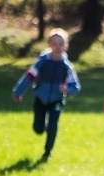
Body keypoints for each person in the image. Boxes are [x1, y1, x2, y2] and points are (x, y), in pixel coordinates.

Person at [12, 28, 81, 160]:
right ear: (48, 45)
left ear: (66, 46)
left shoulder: (67, 67)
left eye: (61, 44)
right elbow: (29, 76)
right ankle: (41, 127)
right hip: (40, 99)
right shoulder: (42, 62)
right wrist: (17, 92)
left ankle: (47, 152)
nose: (57, 47)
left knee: (53, 126)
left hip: (57, 100)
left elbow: (76, 86)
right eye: (54, 44)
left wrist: (67, 89)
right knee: (38, 128)